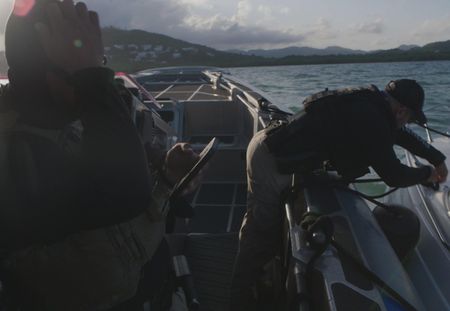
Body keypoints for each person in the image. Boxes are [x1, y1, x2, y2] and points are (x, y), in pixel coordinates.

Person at [0, 0, 201, 310]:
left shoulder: (71, 121)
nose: (98, 75)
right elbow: (126, 206)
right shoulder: (22, 158)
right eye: (88, 68)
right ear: (55, 78)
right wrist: (92, 79)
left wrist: (166, 176)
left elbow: (119, 206)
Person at [230, 80, 448, 310]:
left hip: (271, 148)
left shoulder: (371, 105)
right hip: (270, 160)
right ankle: (239, 299)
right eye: (410, 118)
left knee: (261, 226)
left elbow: (399, 134)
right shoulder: (373, 119)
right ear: (402, 110)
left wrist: (436, 158)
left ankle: (255, 282)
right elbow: (393, 175)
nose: (407, 123)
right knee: (260, 233)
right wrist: (427, 174)